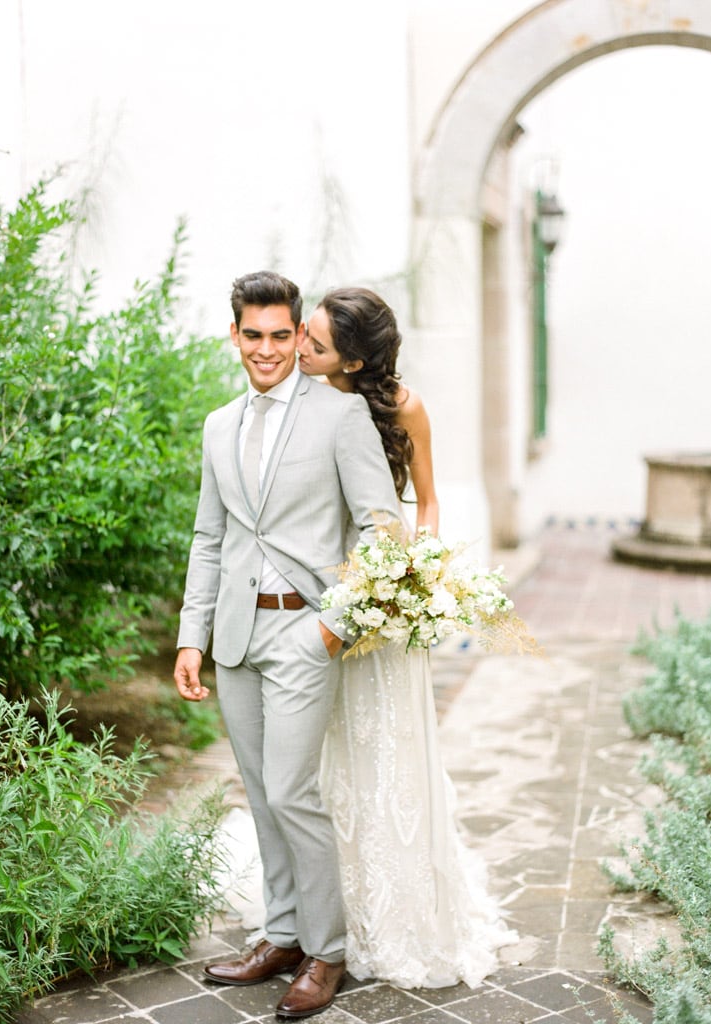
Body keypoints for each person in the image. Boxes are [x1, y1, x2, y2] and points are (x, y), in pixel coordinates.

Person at [174, 271, 401, 1020]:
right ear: (233, 336)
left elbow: (382, 530)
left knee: (293, 790)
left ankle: (326, 951)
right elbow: (209, 539)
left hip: (306, 627)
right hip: (235, 634)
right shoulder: (216, 425)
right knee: (261, 796)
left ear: (298, 333)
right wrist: (191, 637)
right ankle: (280, 934)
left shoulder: (339, 417)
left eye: (281, 335)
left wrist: (335, 625)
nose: (266, 349)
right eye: (253, 334)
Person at [297, 286, 518, 989]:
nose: (299, 349)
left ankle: (394, 909)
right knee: (329, 744)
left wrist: (414, 578)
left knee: (386, 746)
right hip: (317, 585)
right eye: (304, 334)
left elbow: (426, 501)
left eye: (316, 343)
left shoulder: (402, 407)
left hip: (382, 587)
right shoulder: (299, 401)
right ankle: (329, 906)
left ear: (356, 360)